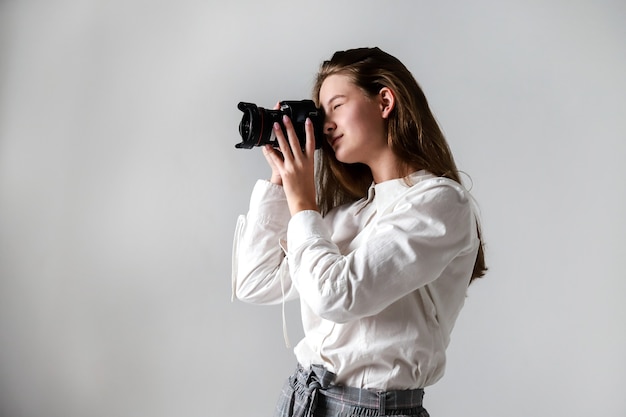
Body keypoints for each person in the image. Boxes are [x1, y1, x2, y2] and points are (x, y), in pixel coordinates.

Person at [231, 46, 487, 417]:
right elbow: (254, 281)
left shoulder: (441, 203)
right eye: (321, 114)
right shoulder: (349, 216)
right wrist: (279, 180)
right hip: (302, 398)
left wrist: (303, 202)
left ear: (385, 101)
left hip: (374, 408)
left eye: (336, 105)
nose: (327, 123)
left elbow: (336, 296)